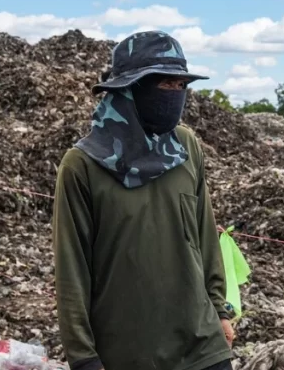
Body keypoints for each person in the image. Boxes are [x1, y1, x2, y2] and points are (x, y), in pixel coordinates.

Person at [52, 31, 235, 370]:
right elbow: (71, 268)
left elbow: (205, 234)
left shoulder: (185, 147)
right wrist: (82, 356)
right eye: (164, 86)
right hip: (129, 352)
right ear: (129, 89)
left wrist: (220, 311)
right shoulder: (82, 165)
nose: (175, 96)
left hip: (201, 343)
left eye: (181, 87)